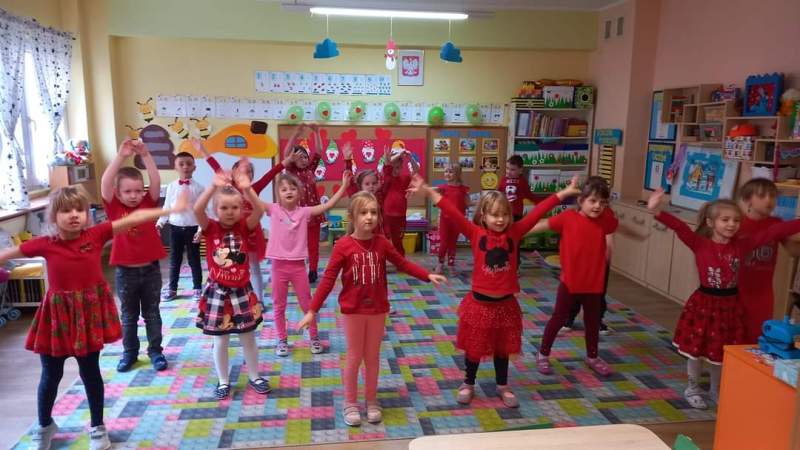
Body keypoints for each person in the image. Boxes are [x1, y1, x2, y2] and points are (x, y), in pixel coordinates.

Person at [1, 186, 188, 450]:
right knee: (50, 375)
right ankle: (44, 425)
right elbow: (8, 254)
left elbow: (135, 218)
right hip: (57, 318)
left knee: (90, 372)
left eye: (79, 210)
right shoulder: (45, 243)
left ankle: (97, 426)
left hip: (87, 316)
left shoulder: (96, 234)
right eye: (66, 211)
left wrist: (172, 209)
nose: (74, 215)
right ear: (53, 217)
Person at [409, 174, 579, 407]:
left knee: (502, 348)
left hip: (505, 305)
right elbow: (452, 211)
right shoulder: (475, 233)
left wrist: (564, 193)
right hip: (480, 304)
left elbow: (538, 211)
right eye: (495, 215)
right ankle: (468, 382)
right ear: (483, 216)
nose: (500, 220)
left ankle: (502, 385)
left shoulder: (515, 232)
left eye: (505, 215)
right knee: (474, 347)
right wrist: (428, 191)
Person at [297, 192, 446, 426]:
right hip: (353, 311)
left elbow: (403, 263)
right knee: (354, 356)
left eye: (374, 212)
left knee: (372, 357)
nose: (369, 217)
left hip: (377, 310)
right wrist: (312, 310)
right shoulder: (343, 246)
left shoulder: (382, 243)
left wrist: (426, 275)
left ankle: (371, 400)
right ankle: (350, 402)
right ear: (352, 217)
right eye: (363, 212)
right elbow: (327, 280)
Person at [647, 187, 800, 408]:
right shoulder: (700, 243)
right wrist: (657, 211)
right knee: (696, 351)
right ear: (711, 223)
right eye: (725, 220)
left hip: (730, 306)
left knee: (721, 351)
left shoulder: (742, 245)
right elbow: (680, 227)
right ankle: (692, 388)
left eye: (736, 220)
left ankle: (715, 390)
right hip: (704, 304)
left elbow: (775, 231)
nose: (731, 224)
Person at [193, 167, 271, 399]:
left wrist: (246, 188)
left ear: (241, 209)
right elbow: (197, 209)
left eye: (234, 208)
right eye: (224, 208)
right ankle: (223, 380)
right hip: (218, 294)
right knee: (221, 342)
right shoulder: (210, 228)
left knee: (248, 338)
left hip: (242, 292)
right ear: (215, 210)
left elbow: (259, 210)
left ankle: (255, 376)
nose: (229, 212)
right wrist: (213, 186)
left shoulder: (244, 227)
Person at [531, 177, 618, 376]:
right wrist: (515, 233)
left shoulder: (605, 220)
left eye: (602, 202)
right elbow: (542, 225)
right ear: (581, 200)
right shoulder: (568, 218)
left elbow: (613, 225)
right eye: (593, 201)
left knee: (592, 322)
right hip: (570, 283)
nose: (598, 206)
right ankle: (543, 354)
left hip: (594, 284)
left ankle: (592, 356)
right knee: (558, 318)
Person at [196, 135, 296, 305]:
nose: (246, 173)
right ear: (234, 173)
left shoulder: (254, 188)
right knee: (231, 265)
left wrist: (286, 162)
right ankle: (229, 296)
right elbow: (217, 168)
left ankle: (259, 300)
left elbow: (271, 174)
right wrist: (203, 151)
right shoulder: (228, 188)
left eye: (249, 171)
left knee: (254, 267)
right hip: (230, 235)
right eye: (242, 170)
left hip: (250, 232)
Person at [100, 139, 168, 373]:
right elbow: (105, 182)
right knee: (129, 316)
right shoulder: (114, 208)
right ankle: (129, 353)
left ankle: (156, 351)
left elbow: (155, 180)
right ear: (117, 193)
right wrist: (121, 156)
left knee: (152, 313)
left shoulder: (148, 203)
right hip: (125, 272)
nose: (133, 195)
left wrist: (146, 155)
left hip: (151, 271)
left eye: (138, 190)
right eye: (128, 191)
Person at [266, 170, 351, 357]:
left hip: (298, 267)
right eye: (283, 189)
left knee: (308, 305)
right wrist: (245, 186)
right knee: (278, 305)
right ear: (278, 194)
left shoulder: (304, 212)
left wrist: (344, 186)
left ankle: (314, 337)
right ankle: (282, 340)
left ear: (300, 192)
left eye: (292, 188)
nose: (288, 191)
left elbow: (328, 205)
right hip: (278, 266)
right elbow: (253, 199)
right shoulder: (273, 209)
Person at [737, 178, 800, 343]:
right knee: (734, 334)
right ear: (748, 199)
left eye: (772, 196)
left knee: (757, 335)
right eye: (762, 196)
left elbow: (793, 251)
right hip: (738, 290)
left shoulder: (776, 223)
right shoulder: (736, 223)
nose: (769, 200)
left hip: (763, 292)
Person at [157, 151, 205, 301]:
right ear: (175, 167)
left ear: (194, 167)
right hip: (175, 228)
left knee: (194, 260)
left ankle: (197, 288)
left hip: (192, 229)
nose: (185, 167)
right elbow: (167, 207)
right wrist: (159, 223)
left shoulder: (199, 188)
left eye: (189, 164)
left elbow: (202, 211)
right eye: (181, 164)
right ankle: (172, 289)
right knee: (174, 260)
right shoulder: (171, 187)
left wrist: (200, 230)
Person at [284, 124, 326, 283]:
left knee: (313, 245)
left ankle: (313, 270)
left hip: (313, 214)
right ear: (293, 160)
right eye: (299, 157)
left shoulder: (310, 169)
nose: (303, 160)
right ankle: (298, 270)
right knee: (297, 246)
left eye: (305, 157)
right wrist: (295, 135)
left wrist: (317, 132)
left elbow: (319, 151)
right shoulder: (291, 171)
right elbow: (286, 154)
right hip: (297, 216)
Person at [498, 155, 537, 268]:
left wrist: (544, 203)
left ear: (520, 170)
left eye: (512, 169)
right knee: (502, 240)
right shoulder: (503, 180)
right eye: (507, 168)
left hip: (516, 216)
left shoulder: (522, 182)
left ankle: (515, 265)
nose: (509, 171)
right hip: (503, 215)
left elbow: (530, 196)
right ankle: (502, 262)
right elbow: (498, 194)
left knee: (514, 241)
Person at [381, 145, 419, 256]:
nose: (395, 170)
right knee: (386, 240)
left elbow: (416, 169)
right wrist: (399, 154)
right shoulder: (387, 177)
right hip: (387, 216)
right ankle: (383, 260)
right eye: (393, 167)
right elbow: (387, 164)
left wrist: (410, 158)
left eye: (398, 167)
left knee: (398, 241)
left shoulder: (405, 178)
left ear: (402, 167)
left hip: (401, 216)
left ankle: (400, 261)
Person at [435, 163, 470, 273]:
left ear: (458, 174)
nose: (447, 174)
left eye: (450, 172)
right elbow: (434, 195)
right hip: (445, 220)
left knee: (452, 243)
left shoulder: (463, 189)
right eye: (446, 171)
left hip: (457, 220)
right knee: (444, 242)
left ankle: (451, 264)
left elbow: (467, 203)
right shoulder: (442, 188)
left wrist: (482, 202)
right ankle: (440, 263)